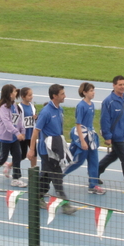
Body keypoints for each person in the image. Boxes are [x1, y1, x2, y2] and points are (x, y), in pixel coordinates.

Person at [27, 84, 77, 215]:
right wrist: (32, 150)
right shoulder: (46, 112)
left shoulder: (60, 110)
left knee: (46, 176)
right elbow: (35, 132)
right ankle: (65, 205)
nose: (65, 96)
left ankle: (36, 195)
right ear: (55, 96)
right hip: (47, 151)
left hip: (55, 149)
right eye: (62, 94)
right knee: (57, 177)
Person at [65, 82, 106, 195]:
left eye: (93, 90)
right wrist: (82, 141)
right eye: (91, 91)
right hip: (82, 137)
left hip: (91, 137)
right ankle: (59, 175)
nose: (94, 93)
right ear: (84, 92)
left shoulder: (92, 105)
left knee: (94, 161)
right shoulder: (81, 106)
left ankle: (93, 185)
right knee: (78, 161)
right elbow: (78, 124)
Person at [0, 84, 27, 188]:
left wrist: (22, 130)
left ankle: (16, 178)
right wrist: (17, 133)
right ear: (9, 94)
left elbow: (18, 120)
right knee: (2, 158)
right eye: (14, 91)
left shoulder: (15, 105)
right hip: (4, 137)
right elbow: (7, 123)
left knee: (18, 155)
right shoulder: (3, 108)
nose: (16, 93)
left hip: (13, 137)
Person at [16, 87, 38, 170]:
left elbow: (35, 120)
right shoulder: (19, 107)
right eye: (29, 95)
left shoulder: (33, 107)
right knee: (22, 155)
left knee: (34, 153)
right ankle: (10, 165)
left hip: (31, 134)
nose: (31, 97)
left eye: (31, 95)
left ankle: (34, 171)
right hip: (23, 135)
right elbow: (17, 120)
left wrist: (36, 118)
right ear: (23, 96)